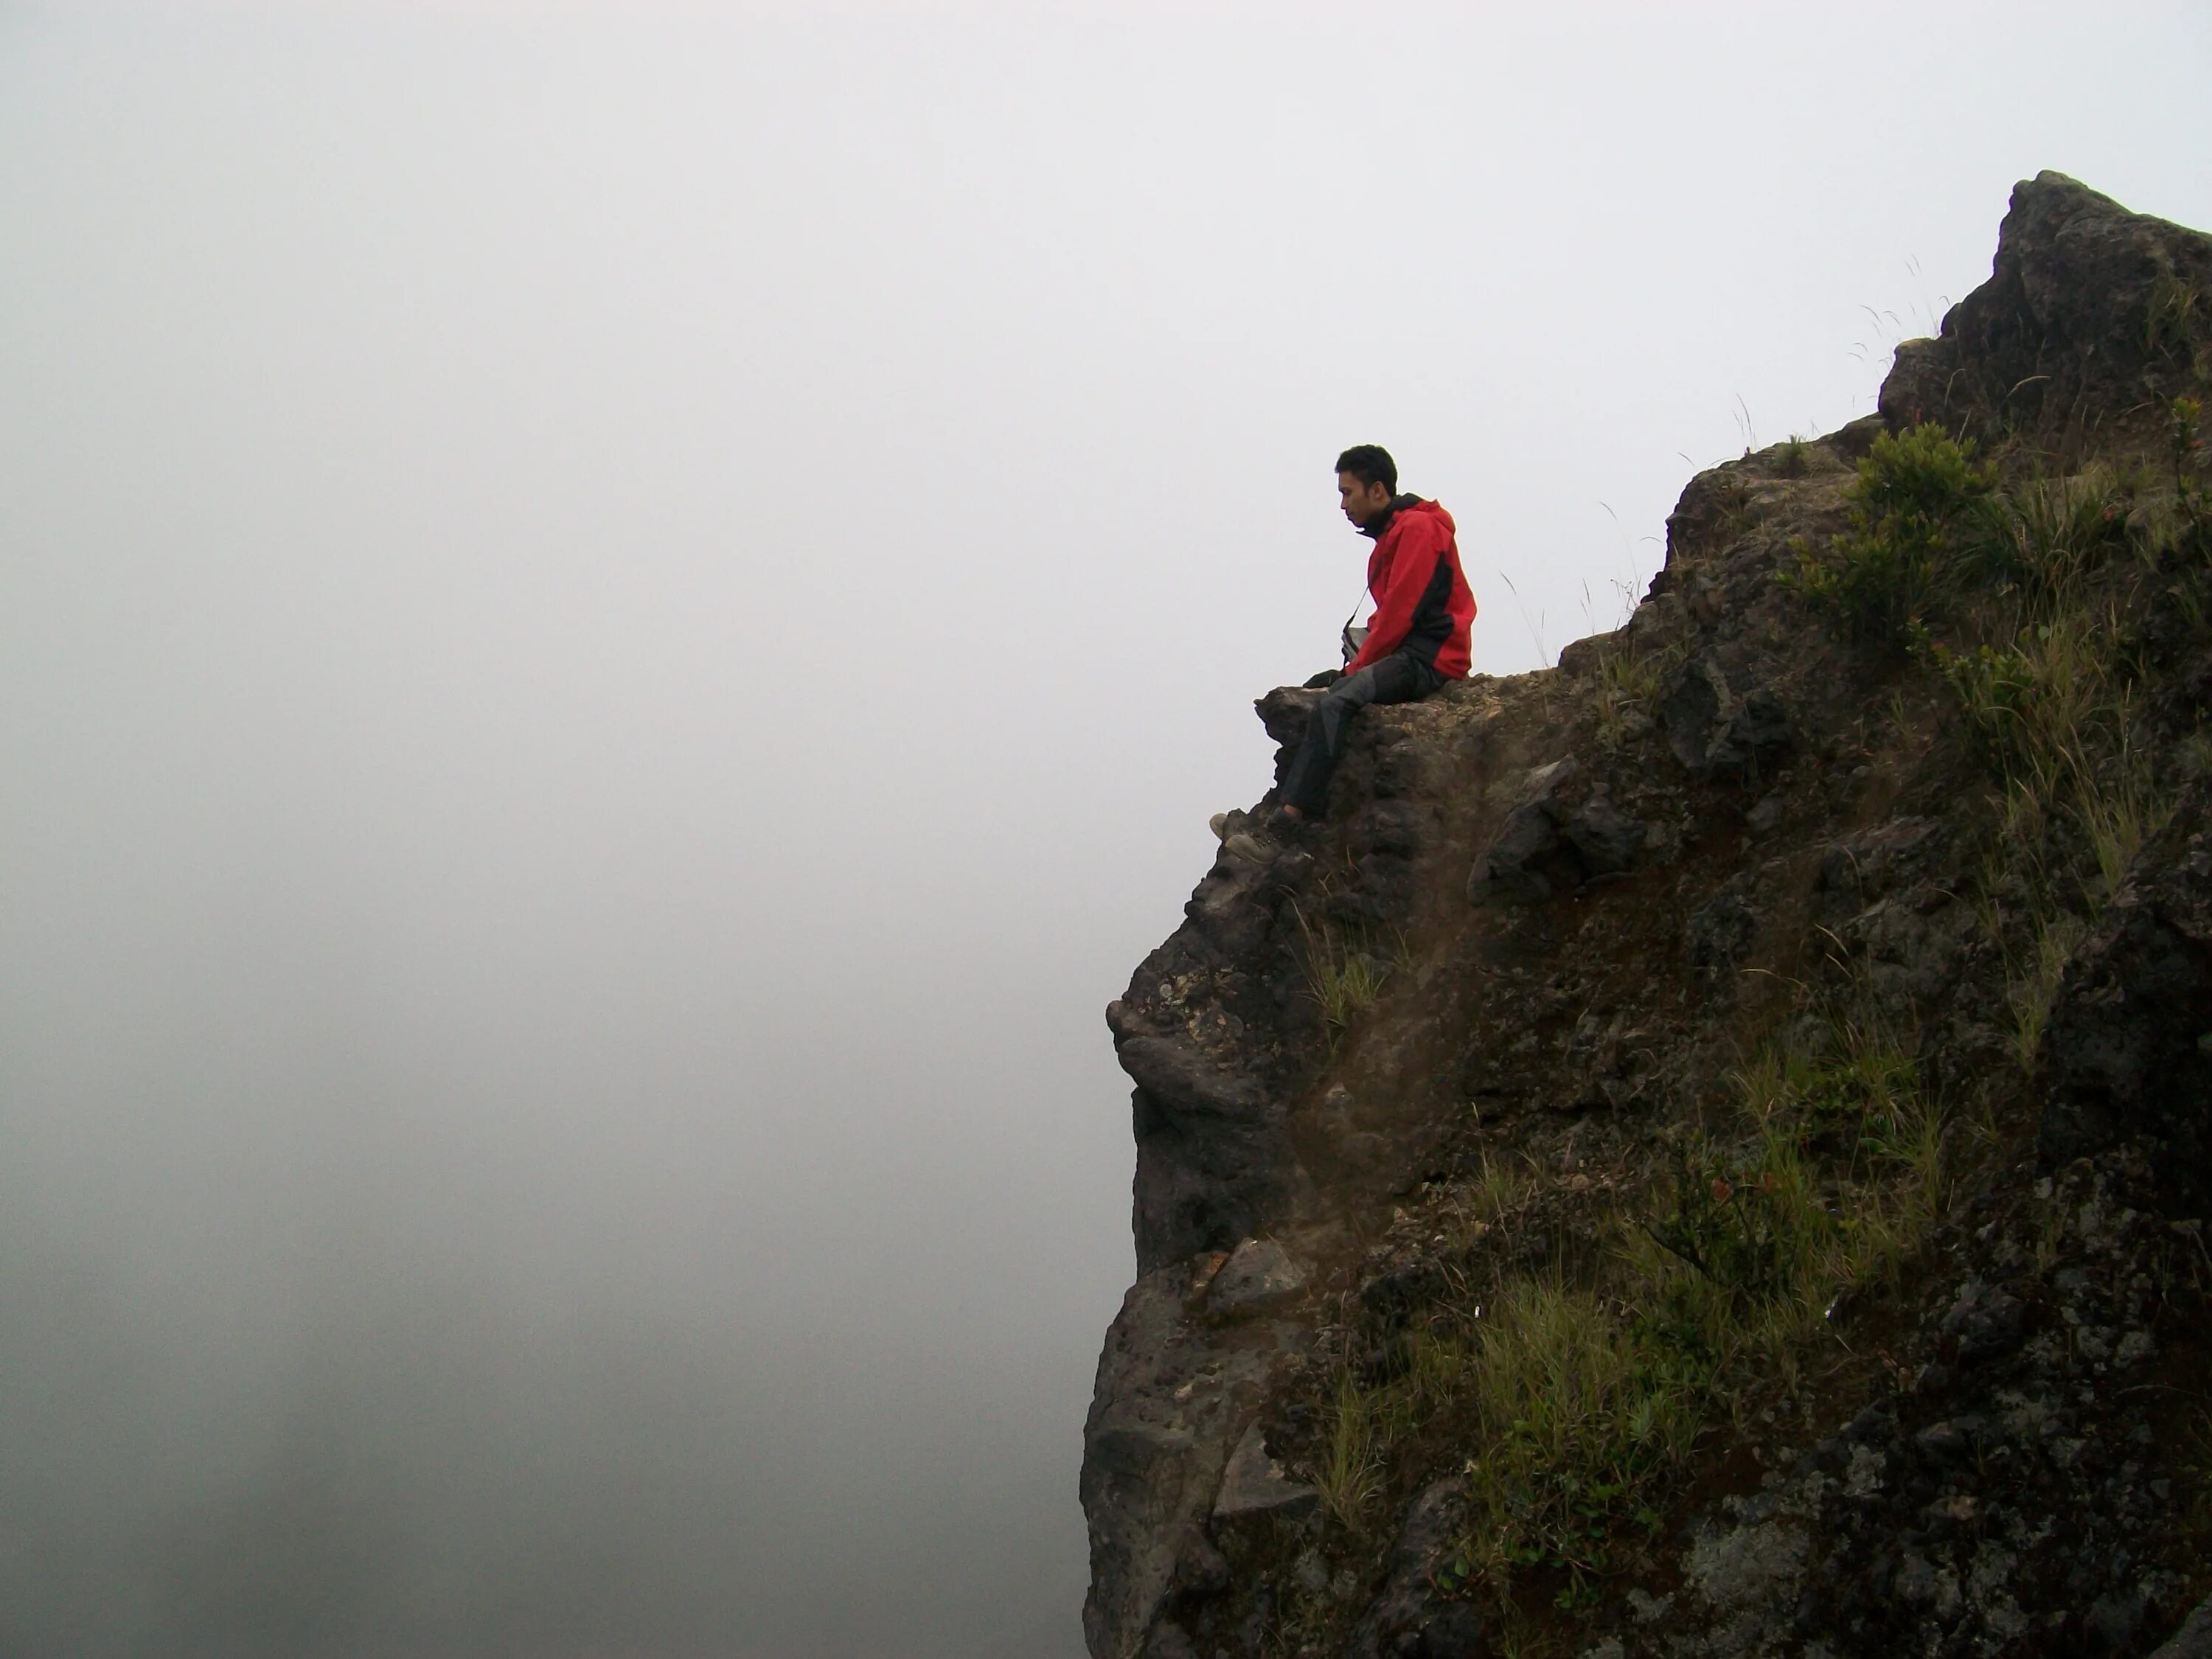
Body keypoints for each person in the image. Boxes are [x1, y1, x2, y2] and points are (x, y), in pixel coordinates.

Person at [1222, 445, 1476, 856]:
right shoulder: (1394, 535)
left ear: (1377, 491)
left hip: (1431, 659)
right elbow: (1391, 614)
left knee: (1337, 698)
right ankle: (1273, 811)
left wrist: (1357, 666)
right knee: (1312, 694)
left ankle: (1285, 826)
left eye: (1348, 492)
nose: (1343, 504)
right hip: (1409, 653)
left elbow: (1400, 612)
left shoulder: (1417, 530)